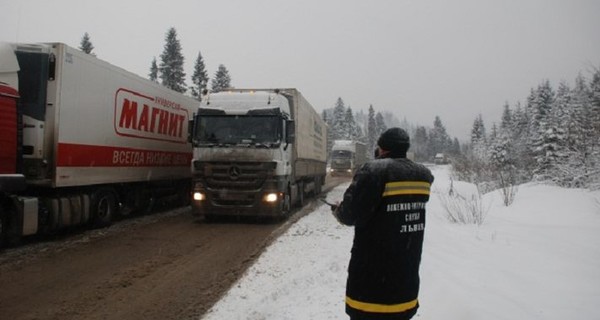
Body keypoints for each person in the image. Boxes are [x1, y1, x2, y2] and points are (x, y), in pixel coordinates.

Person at [332, 127, 434, 320]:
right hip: (406, 280)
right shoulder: (423, 175)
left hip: (372, 285)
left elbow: (350, 214)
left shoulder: (374, 171)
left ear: (383, 149)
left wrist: (339, 210)